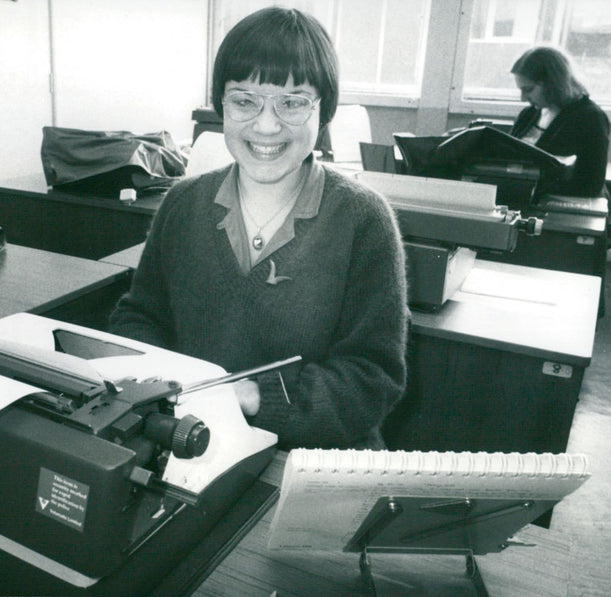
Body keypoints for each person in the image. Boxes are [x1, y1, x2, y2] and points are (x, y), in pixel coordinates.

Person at [108, 7, 409, 450]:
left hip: (312, 459)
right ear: (221, 106)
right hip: (192, 441)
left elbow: (372, 377)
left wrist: (251, 395)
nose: (266, 125)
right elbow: (139, 316)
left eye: (292, 102)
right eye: (244, 100)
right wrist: (162, 382)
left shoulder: (364, 220)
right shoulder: (183, 204)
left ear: (323, 109)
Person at [510, 46, 610, 197]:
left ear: (553, 83)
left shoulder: (590, 118)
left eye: (528, 89)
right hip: (526, 198)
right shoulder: (529, 114)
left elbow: (591, 184)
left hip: (571, 205)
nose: (523, 98)